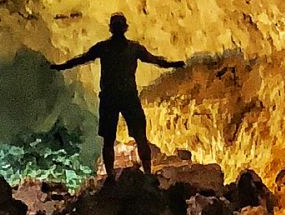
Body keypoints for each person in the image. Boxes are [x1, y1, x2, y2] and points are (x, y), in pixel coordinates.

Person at [50, 13, 185, 177]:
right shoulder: (131, 49)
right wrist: (172, 64)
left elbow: (82, 59)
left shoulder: (108, 48)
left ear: (112, 29)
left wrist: (61, 67)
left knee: (115, 138)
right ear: (124, 28)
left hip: (113, 97)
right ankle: (141, 173)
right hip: (123, 97)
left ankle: (114, 175)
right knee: (132, 136)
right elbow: (155, 60)